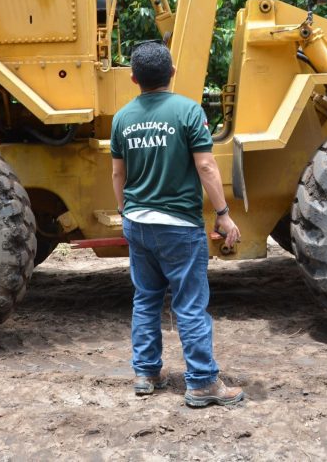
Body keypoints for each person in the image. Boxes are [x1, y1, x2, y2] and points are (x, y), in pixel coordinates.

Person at [111, 41, 245, 408]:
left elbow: (117, 172)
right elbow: (206, 166)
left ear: (134, 78)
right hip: (178, 226)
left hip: (137, 222)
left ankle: (146, 373)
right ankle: (202, 382)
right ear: (171, 72)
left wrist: (126, 212)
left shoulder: (122, 118)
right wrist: (222, 213)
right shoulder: (188, 111)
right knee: (189, 304)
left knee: (146, 299)